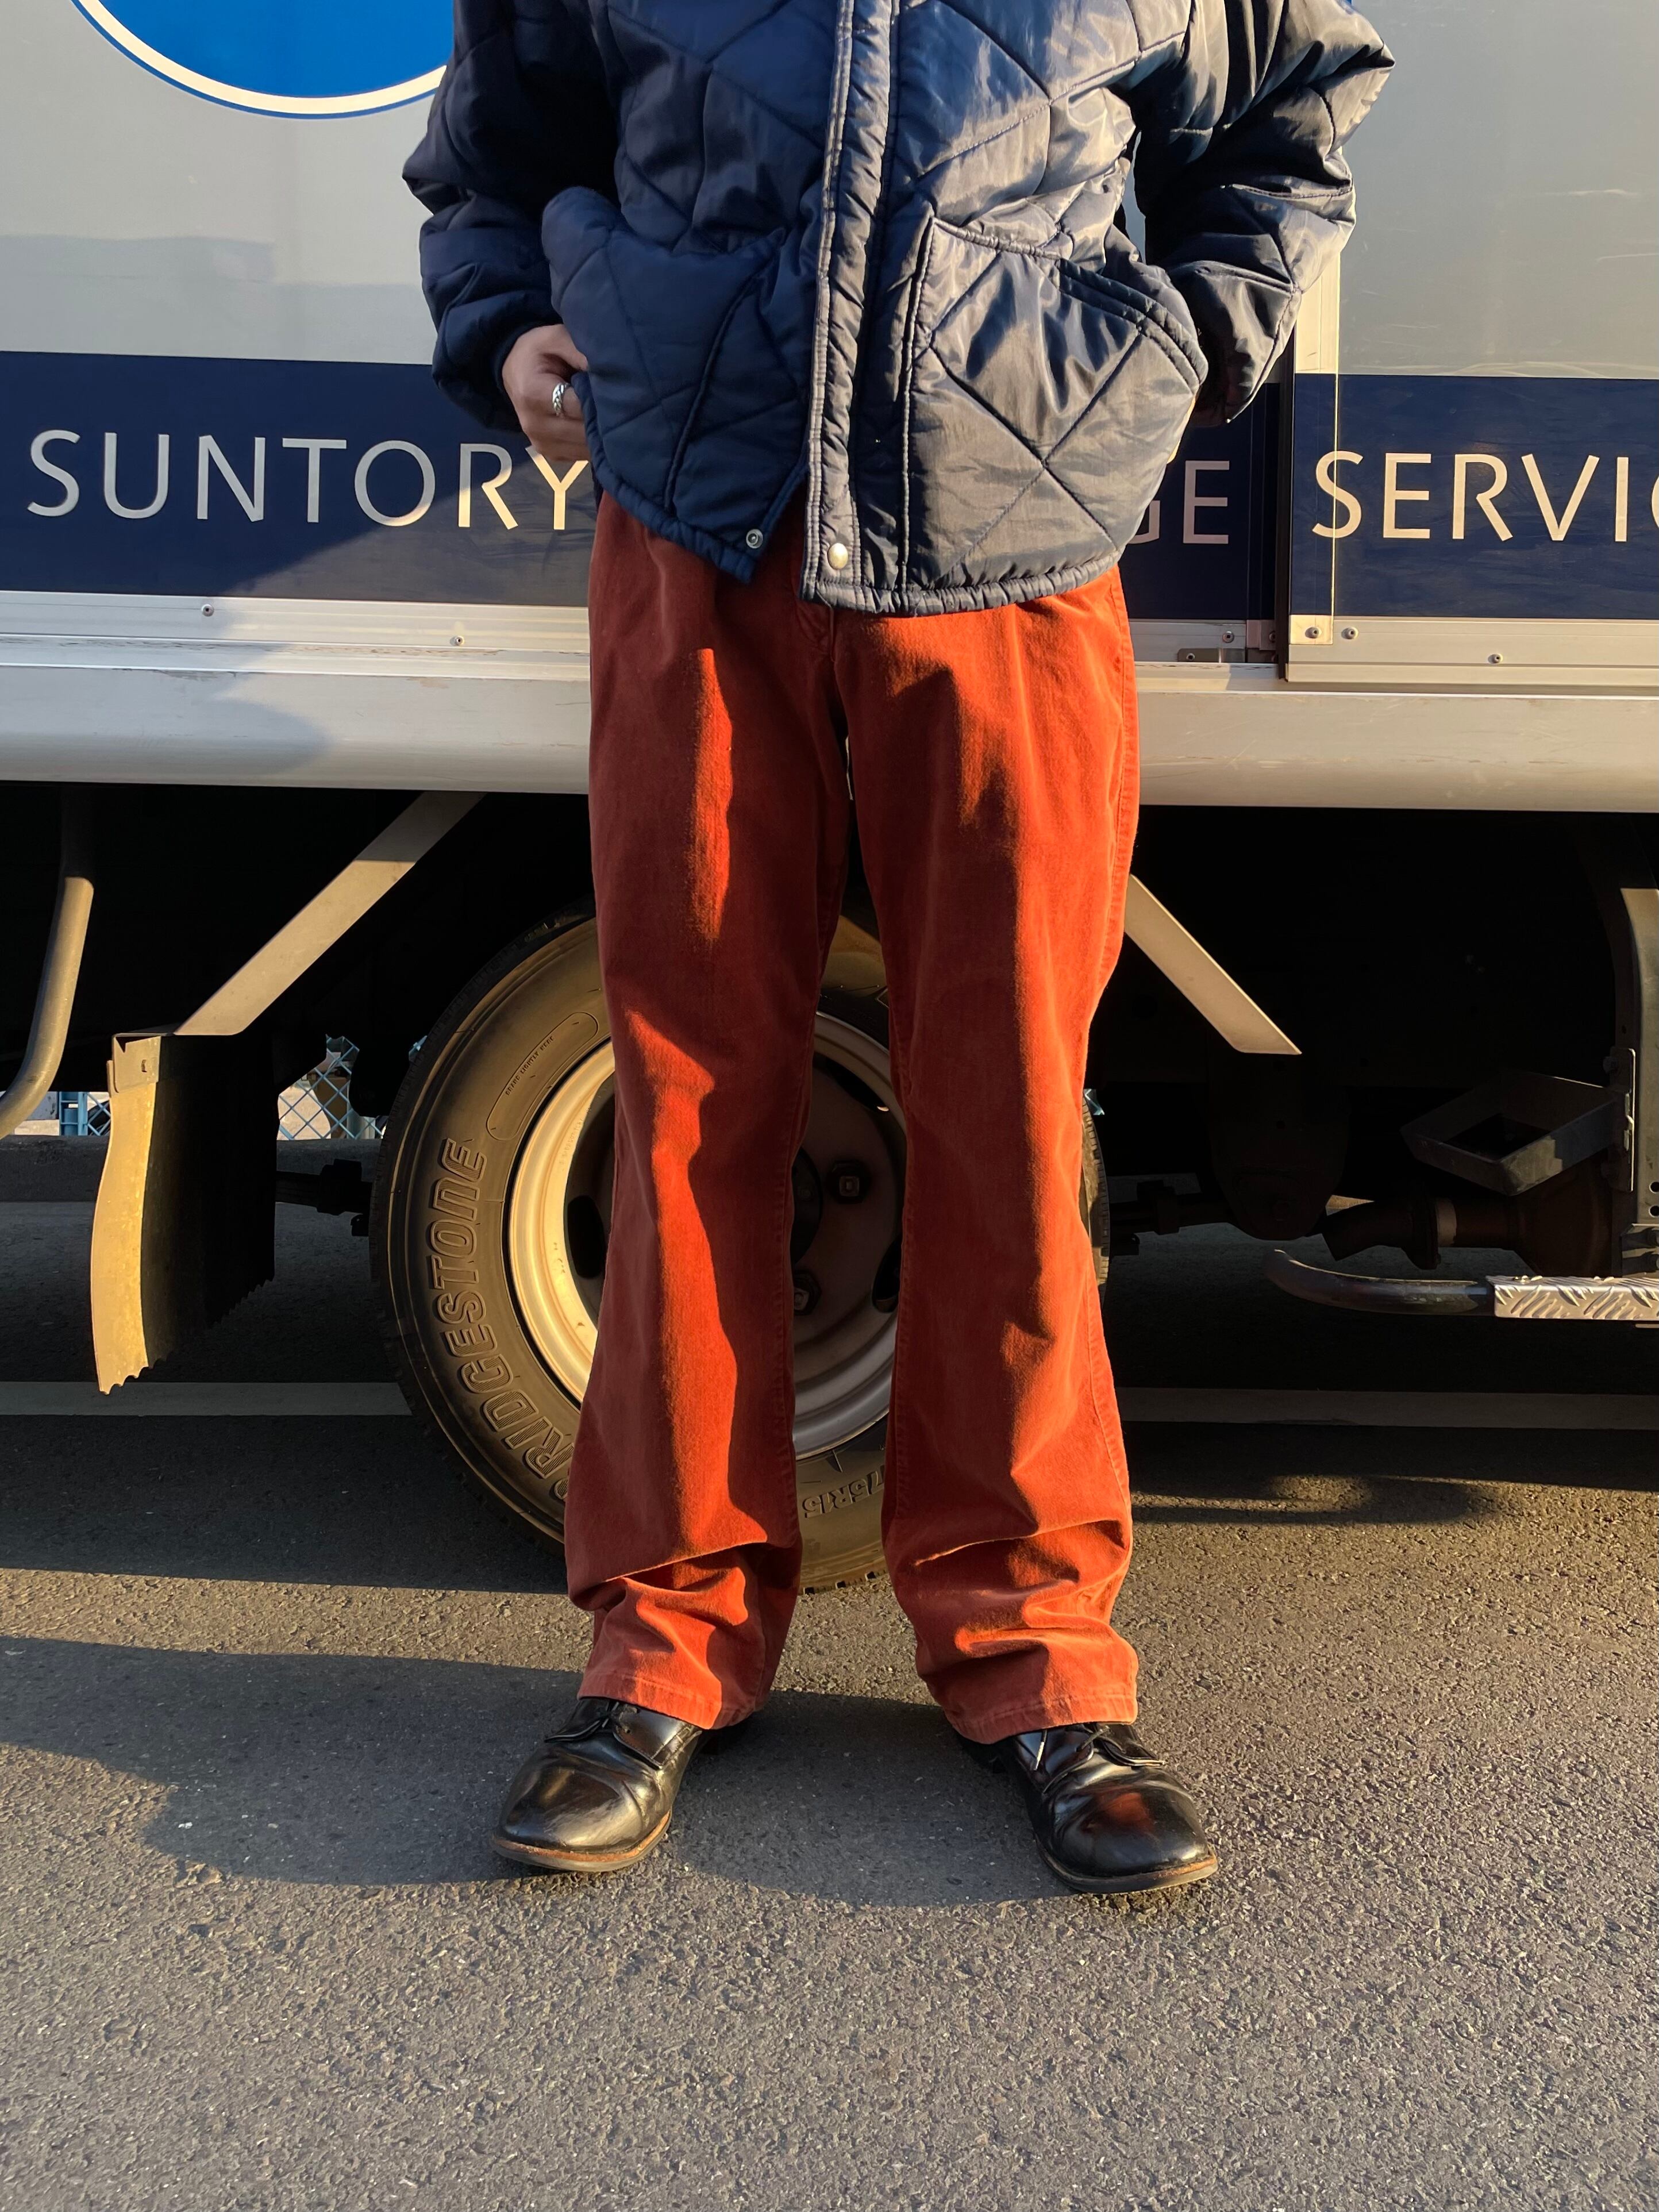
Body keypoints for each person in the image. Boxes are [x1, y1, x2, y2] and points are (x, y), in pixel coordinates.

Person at [407, 0, 1389, 1895]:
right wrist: (504, 320)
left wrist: (1181, 345)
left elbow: (1295, 116)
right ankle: (663, 1642)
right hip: (698, 527)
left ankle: (1036, 1652)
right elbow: (497, 150)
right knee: (689, 1106)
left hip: (1017, 550)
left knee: (1010, 1110)